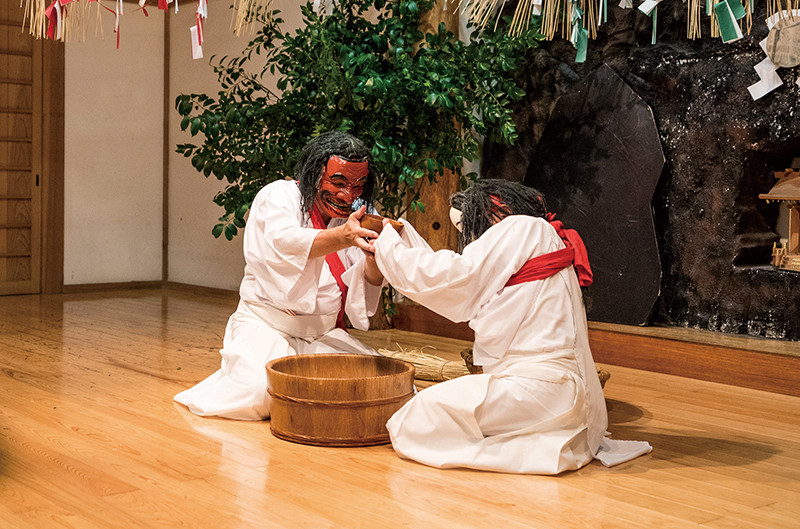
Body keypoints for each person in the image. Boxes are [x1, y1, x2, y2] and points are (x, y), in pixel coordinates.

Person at [373, 179, 651, 474]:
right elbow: (463, 277)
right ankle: (537, 439)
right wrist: (399, 237)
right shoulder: (540, 234)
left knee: (415, 418)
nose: (473, 237)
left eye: (470, 226)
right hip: (559, 394)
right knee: (434, 410)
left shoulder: (523, 227)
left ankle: (538, 448)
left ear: (492, 212)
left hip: (544, 389)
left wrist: (386, 244)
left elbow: (456, 278)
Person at [175, 131, 385, 420]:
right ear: (315, 173)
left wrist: (375, 258)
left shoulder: (360, 212)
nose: (347, 195)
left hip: (323, 334)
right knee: (257, 395)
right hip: (267, 326)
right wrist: (344, 236)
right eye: (338, 183)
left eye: (358, 185)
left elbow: (365, 278)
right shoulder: (279, 195)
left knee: (374, 386)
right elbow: (284, 243)